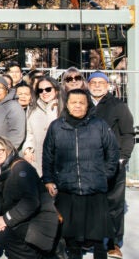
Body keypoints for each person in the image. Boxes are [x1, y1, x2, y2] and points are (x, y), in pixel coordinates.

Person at [42, 89, 119, 259]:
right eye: (73, 102)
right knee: (71, 237)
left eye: (81, 102)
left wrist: (104, 175)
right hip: (68, 189)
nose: (77, 105)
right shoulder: (57, 126)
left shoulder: (99, 125)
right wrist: (48, 179)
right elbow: (48, 155)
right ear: (67, 105)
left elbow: (112, 152)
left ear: (87, 105)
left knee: (98, 237)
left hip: (94, 188)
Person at [0, 135, 60, 259]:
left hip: (38, 220)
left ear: (8, 149)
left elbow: (31, 201)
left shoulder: (21, 168)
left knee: (1, 233)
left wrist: (5, 219)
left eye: (0, 150)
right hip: (20, 218)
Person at [88, 71, 134, 257]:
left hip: (112, 163)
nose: (97, 85)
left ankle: (113, 243)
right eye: (94, 82)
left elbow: (128, 134)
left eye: (101, 82)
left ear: (108, 86)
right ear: (88, 84)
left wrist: (122, 158)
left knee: (113, 205)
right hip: (87, 163)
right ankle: (90, 239)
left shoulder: (118, 106)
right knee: (88, 203)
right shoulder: (81, 103)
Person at [21, 76, 61, 175]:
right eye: (40, 90)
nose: (44, 93)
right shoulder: (32, 108)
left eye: (48, 89)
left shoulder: (63, 108)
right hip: (36, 158)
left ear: (56, 90)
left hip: (58, 158)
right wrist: (27, 149)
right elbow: (29, 133)